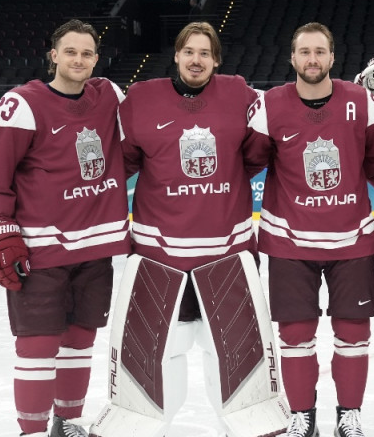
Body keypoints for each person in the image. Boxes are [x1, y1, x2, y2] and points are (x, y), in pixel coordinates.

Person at [89, 22, 286, 437]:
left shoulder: (240, 95)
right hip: (160, 258)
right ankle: (144, 425)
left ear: (216, 59)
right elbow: (119, 163)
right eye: (188, 51)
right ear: (176, 55)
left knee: (229, 358)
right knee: (162, 358)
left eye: (205, 53)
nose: (196, 60)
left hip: (228, 255)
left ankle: (244, 424)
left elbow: (256, 154)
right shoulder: (141, 100)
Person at [0, 19, 130, 437]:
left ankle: (68, 423)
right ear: (54, 55)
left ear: (97, 59)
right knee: (38, 346)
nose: (79, 59)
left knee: (80, 341)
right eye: (71, 51)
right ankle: (32, 431)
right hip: (41, 248)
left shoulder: (109, 95)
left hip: (95, 248)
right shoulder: (21, 104)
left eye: (87, 53)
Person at [245, 22, 374, 437]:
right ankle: (302, 416)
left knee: (353, 333)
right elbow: (247, 163)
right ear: (292, 58)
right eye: (304, 52)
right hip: (290, 241)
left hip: (352, 240)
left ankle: (349, 415)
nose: (312, 59)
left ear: (332, 57)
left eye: (320, 52)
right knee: (295, 335)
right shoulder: (271, 105)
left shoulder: (360, 101)